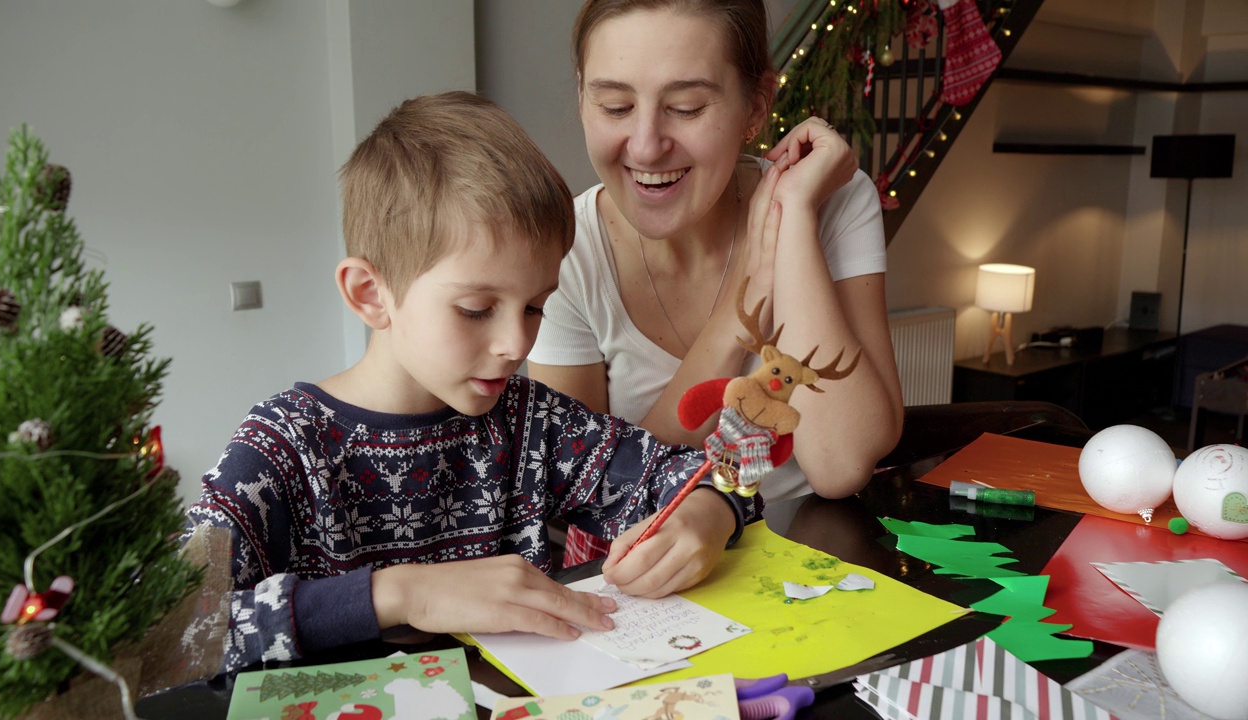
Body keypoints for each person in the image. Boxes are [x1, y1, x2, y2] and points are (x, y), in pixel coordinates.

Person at [182, 91, 756, 674]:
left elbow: (700, 475)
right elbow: (175, 634)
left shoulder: (531, 422)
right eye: (478, 308)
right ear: (370, 294)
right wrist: (404, 594)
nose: (516, 343)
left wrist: (707, 515)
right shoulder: (282, 447)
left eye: (535, 307)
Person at [527, 0, 904, 564]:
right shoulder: (564, 247)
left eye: (685, 107)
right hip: (644, 578)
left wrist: (793, 217)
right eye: (616, 105)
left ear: (757, 106)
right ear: (583, 98)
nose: (647, 144)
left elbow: (842, 465)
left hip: (807, 563)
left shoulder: (833, 200)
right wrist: (743, 303)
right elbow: (588, 494)